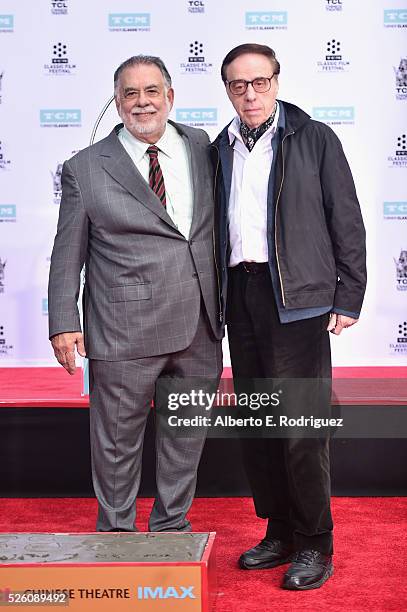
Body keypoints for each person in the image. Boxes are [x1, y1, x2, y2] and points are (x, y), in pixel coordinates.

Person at [213, 43, 366, 590]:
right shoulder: (219, 148)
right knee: (262, 423)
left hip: (298, 301)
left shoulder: (315, 138)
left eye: (259, 82)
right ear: (227, 90)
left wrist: (349, 295)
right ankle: (279, 531)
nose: (249, 93)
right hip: (241, 296)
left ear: (276, 81)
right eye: (237, 85)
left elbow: (345, 216)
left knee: (301, 428)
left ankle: (315, 543)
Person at [48, 55, 222, 533]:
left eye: (151, 91)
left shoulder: (202, 144)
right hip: (123, 330)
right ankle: (118, 539)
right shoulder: (85, 168)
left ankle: (171, 529)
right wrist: (64, 322)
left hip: (201, 325)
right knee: (117, 445)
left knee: (184, 439)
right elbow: (67, 252)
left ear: (170, 96)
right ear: (117, 101)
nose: (142, 102)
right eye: (130, 93)